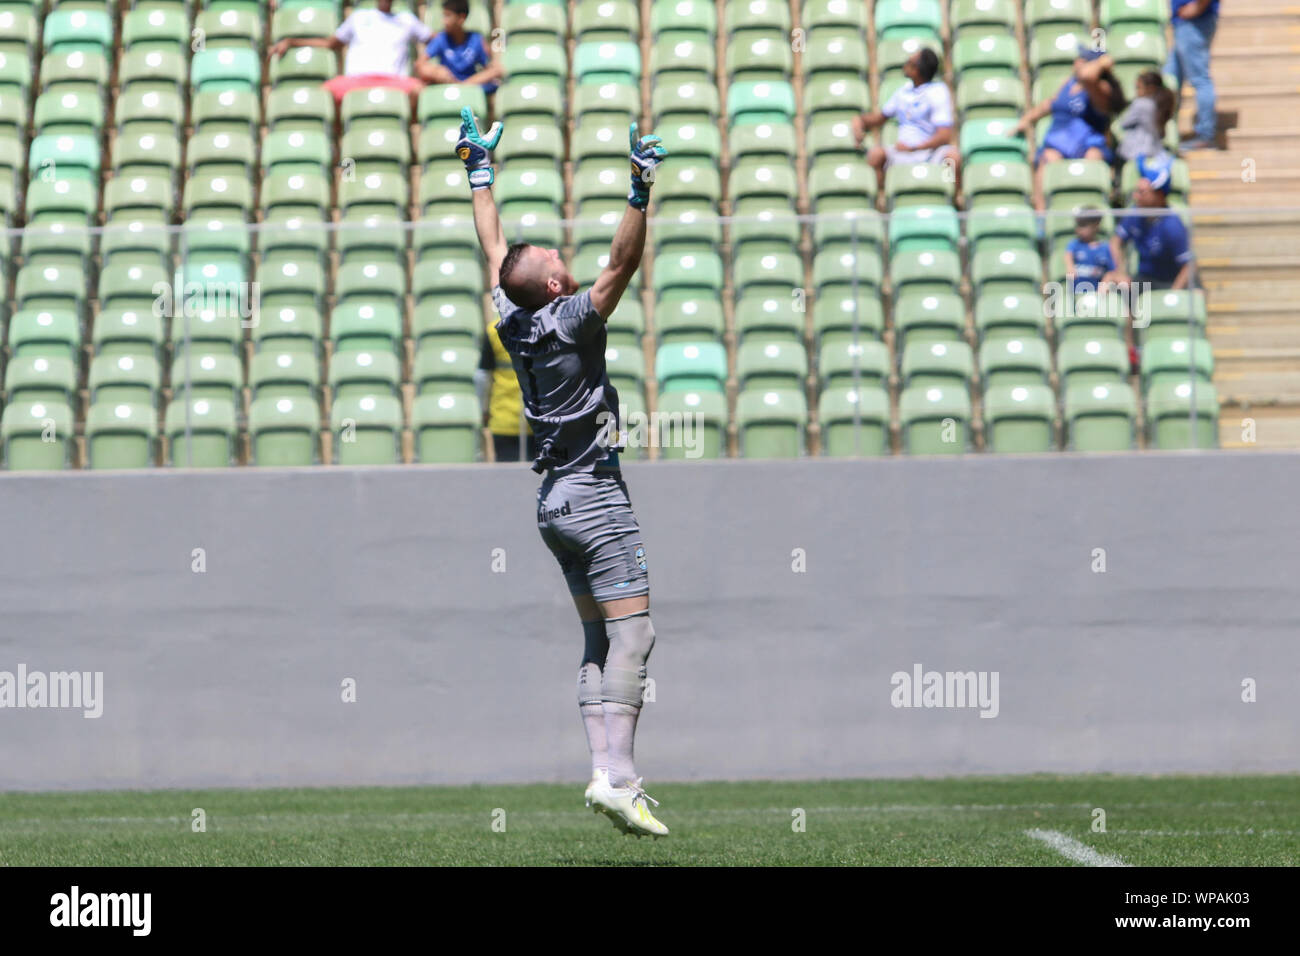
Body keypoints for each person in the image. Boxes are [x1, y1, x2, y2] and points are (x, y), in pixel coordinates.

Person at [458, 107, 671, 837]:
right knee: (635, 638)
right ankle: (622, 778)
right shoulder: (571, 317)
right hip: (596, 496)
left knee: (595, 642)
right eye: (553, 258)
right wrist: (640, 187)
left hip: (552, 502)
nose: (560, 256)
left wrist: (478, 175)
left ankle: (604, 775)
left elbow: (495, 253)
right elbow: (623, 263)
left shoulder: (513, 319)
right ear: (552, 287)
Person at [1012, 46, 1127, 210]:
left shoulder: (1099, 88)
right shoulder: (1068, 83)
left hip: (1088, 143)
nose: (1077, 62)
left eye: (1083, 59)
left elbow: (1087, 76)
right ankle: (1043, 221)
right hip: (1059, 142)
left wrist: (1102, 63)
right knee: (1047, 160)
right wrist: (1027, 119)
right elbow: (1051, 103)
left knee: (1093, 160)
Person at [269, 0, 431, 107]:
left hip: (394, 81)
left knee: (422, 92)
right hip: (355, 80)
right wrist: (292, 42)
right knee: (321, 96)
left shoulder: (407, 19)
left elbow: (434, 39)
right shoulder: (358, 17)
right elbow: (330, 43)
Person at [851, 48, 958, 196]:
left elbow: (944, 135)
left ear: (917, 70)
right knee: (876, 155)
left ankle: (951, 196)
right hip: (903, 152)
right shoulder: (903, 92)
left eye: (909, 63)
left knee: (952, 159)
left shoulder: (938, 92)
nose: (905, 65)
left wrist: (914, 147)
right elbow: (879, 118)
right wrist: (860, 121)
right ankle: (883, 199)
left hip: (930, 152)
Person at [1111, 154, 1195, 292]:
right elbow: (1115, 242)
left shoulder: (1172, 225)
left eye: (1142, 192)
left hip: (1169, 282)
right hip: (1144, 279)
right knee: (1116, 287)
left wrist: (1173, 294)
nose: (1135, 196)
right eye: (1136, 191)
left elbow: (1189, 265)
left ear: (1159, 196)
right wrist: (1121, 272)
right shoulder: (1135, 213)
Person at [475, 320, 536, 463]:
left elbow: (482, 378)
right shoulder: (548, 325)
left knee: (508, 478)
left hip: (503, 419)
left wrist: (483, 409)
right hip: (539, 419)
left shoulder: (494, 330)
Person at [1167, 0, 1219, 151]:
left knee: (1200, 79)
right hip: (1184, 23)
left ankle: (1205, 135)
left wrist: (1198, 6)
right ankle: (1167, 133)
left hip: (1194, 22)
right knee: (1170, 77)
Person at [418, 0, 502, 95]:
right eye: (443, 16)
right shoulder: (441, 39)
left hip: (471, 91)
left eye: (448, 16)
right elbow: (420, 65)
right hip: (447, 90)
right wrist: (436, 72)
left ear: (461, 18)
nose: (444, 21)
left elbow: (495, 70)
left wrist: (464, 85)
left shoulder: (477, 39)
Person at [1118, 71, 1176, 163]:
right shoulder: (1161, 104)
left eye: (1138, 87)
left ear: (1150, 88)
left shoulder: (1140, 103)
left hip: (1136, 152)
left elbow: (1124, 124)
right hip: (1156, 150)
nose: (1136, 91)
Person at [1064, 208, 1118, 295]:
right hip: (1077, 294)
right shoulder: (1075, 245)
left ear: (1095, 226)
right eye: (1078, 225)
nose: (1078, 229)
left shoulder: (1105, 248)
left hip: (1098, 296)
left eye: (1083, 225)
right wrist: (1070, 267)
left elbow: (1112, 272)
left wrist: (1107, 280)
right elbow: (1068, 255)